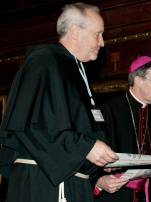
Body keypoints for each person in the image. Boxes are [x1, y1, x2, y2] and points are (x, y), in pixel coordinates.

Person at [0, 3, 119, 202]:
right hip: (47, 183)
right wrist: (87, 148)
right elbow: (34, 126)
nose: (102, 42)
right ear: (75, 32)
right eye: (97, 34)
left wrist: (97, 160)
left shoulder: (72, 66)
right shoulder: (45, 61)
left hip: (72, 181)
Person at [93, 56, 151, 202]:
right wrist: (99, 180)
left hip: (144, 196)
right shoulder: (108, 110)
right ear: (138, 81)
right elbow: (88, 155)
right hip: (113, 196)